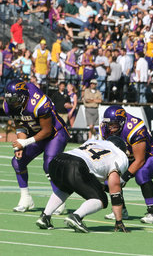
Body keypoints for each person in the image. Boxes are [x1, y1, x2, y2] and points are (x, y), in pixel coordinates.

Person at [36, 137, 130, 233]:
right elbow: (114, 185)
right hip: (75, 165)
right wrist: (119, 220)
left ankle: (45, 216)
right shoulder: (120, 155)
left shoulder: (94, 141)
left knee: (65, 187)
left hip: (57, 160)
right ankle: (76, 216)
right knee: (101, 199)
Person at [4, 79, 70, 212]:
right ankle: (26, 199)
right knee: (18, 162)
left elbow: (47, 131)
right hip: (36, 134)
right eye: (10, 100)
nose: (12, 103)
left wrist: (25, 142)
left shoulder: (38, 103)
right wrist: (20, 143)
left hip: (56, 133)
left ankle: (59, 200)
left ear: (23, 97)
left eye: (15, 100)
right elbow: (20, 124)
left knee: (49, 164)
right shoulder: (9, 105)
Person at [100, 105, 153, 224]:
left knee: (142, 174)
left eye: (114, 124)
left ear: (121, 122)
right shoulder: (104, 129)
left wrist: (124, 177)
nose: (110, 128)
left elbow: (140, 160)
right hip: (129, 156)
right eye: (108, 124)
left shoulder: (134, 128)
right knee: (109, 178)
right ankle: (122, 210)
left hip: (152, 155)